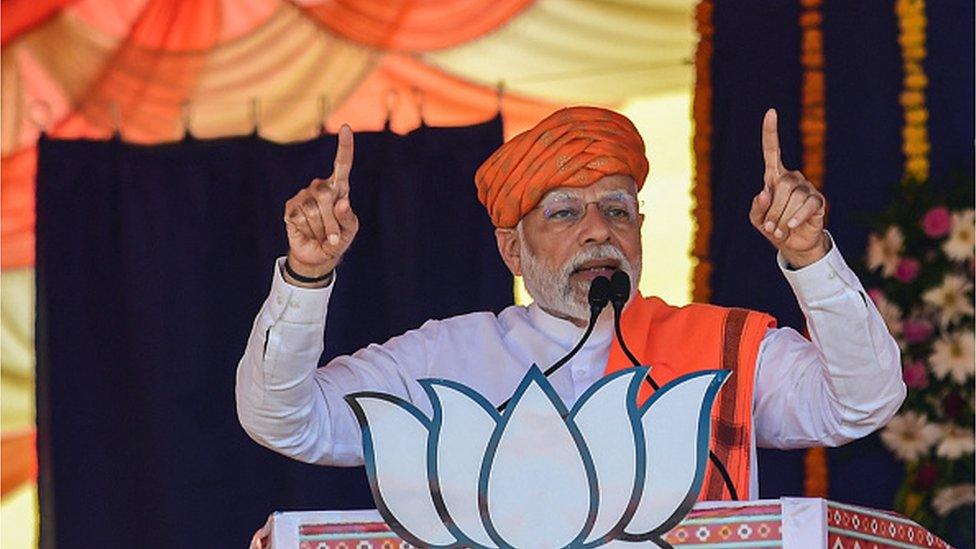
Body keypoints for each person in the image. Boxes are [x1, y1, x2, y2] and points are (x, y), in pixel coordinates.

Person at [235, 106, 905, 500]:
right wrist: (306, 276)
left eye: (618, 209)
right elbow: (285, 418)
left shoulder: (725, 346)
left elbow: (862, 400)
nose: (598, 229)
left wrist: (813, 259)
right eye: (563, 212)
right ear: (512, 251)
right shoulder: (448, 357)